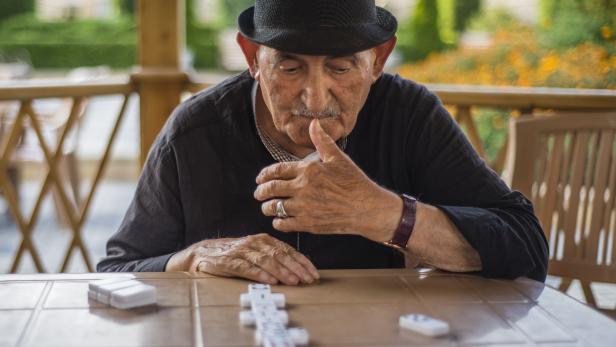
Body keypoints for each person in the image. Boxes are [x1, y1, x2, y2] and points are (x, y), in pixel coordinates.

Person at [98, 0, 548, 284]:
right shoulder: (196, 129)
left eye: (341, 68)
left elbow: (525, 250)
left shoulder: (409, 114)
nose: (315, 98)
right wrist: (196, 256)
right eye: (290, 69)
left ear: (378, 60)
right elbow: (118, 271)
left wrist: (383, 214)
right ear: (253, 58)